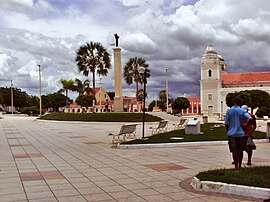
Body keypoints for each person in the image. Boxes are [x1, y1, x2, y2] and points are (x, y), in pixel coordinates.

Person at [224, 97, 252, 168]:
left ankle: (236, 165)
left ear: (233, 102)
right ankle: (240, 165)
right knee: (240, 150)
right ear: (240, 103)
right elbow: (250, 119)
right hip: (240, 133)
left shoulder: (229, 111)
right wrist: (245, 126)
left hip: (231, 133)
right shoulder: (242, 111)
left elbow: (226, 123)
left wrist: (228, 130)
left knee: (234, 150)